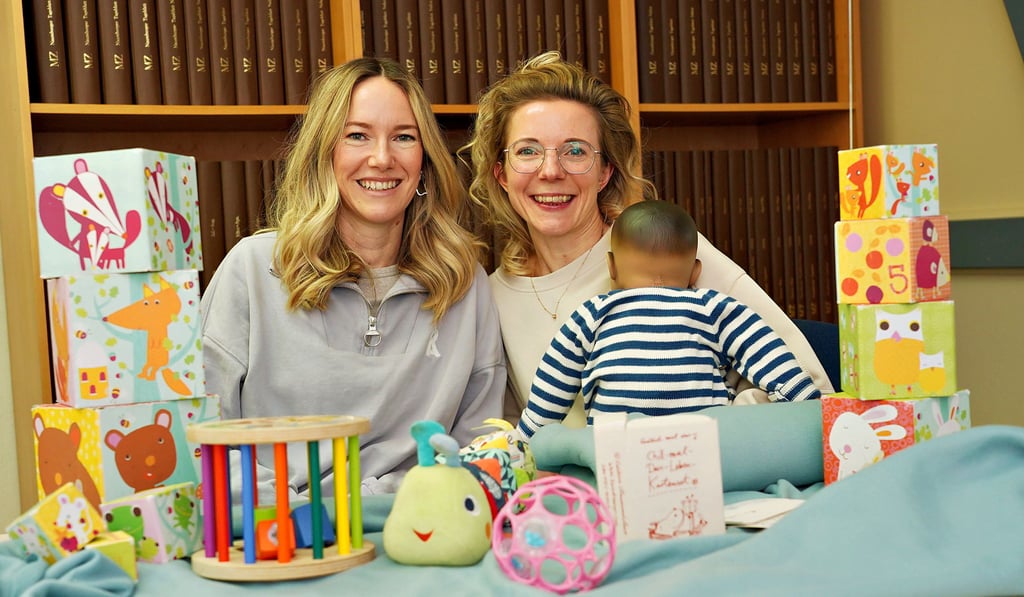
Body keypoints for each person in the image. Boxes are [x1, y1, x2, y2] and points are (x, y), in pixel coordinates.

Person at [463, 51, 833, 427]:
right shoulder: (492, 297)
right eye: (527, 151)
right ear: (502, 174)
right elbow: (512, 432)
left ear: (605, 172)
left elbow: (812, 389)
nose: (551, 171)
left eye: (575, 151)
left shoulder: (662, 252)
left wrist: (687, 435)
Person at [200, 57, 506, 498]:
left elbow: (480, 444)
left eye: (404, 137)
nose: (381, 159)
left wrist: (387, 503)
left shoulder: (465, 281)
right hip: (276, 524)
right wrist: (298, 515)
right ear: (325, 153)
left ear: (424, 161)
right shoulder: (252, 267)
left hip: (412, 522)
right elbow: (203, 433)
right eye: (357, 135)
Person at [516, 201, 821, 438]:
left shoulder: (592, 314)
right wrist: (811, 406)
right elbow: (769, 356)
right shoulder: (713, 308)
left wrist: (525, 438)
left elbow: (553, 383)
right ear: (696, 271)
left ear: (611, 267)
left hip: (614, 451)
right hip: (699, 450)